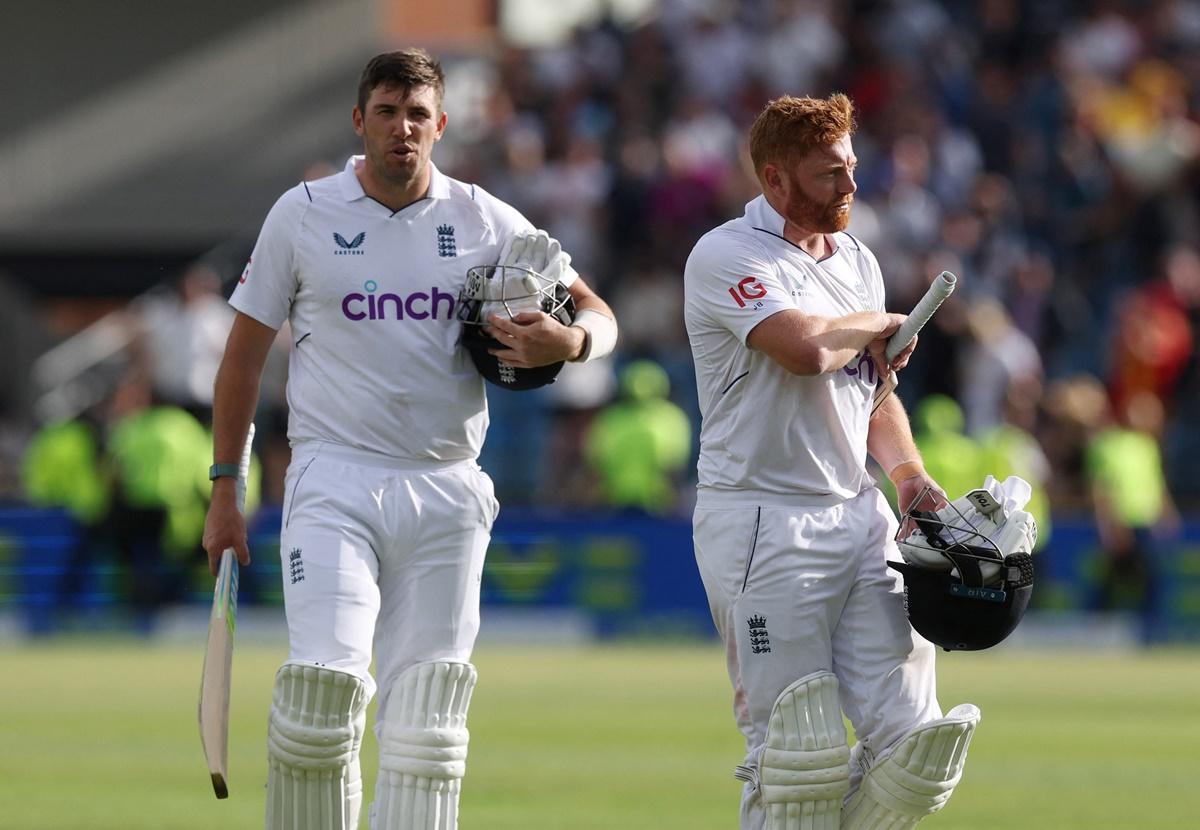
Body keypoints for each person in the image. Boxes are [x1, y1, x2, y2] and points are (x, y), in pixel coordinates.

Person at [201, 49, 616, 830]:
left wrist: (572, 342)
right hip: (333, 479)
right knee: (321, 699)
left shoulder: (487, 219)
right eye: (387, 112)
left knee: (427, 730)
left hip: (448, 487)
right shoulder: (303, 212)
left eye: (417, 114)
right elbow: (241, 361)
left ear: (442, 125)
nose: (402, 129)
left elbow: (598, 310)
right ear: (360, 122)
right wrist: (227, 486)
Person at [684, 93, 980, 830]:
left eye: (851, 166)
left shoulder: (857, 257)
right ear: (775, 180)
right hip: (762, 521)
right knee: (796, 758)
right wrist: (880, 324)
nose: (850, 186)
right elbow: (808, 349)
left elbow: (870, 391)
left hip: (860, 514)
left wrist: (908, 477)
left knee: (916, 754)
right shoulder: (727, 254)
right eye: (828, 174)